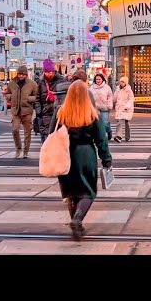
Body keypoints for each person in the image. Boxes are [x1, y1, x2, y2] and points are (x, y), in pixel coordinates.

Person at [50, 80, 112, 241]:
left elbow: (52, 133)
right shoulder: (92, 113)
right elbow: (101, 140)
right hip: (86, 155)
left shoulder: (60, 112)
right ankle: (78, 219)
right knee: (88, 192)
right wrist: (106, 160)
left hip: (65, 154)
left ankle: (75, 221)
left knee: (70, 193)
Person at [4, 66, 38, 159]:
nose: (21, 76)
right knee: (15, 130)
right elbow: (7, 93)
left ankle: (26, 151)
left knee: (28, 132)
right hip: (16, 111)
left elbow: (36, 96)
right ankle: (18, 149)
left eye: (23, 74)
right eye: (20, 74)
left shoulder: (32, 84)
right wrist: (11, 96)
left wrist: (28, 99)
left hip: (27, 111)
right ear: (17, 74)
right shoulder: (12, 83)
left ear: (26, 74)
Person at [35, 59, 65, 143]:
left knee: (57, 136)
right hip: (44, 113)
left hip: (58, 112)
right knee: (45, 137)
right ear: (44, 72)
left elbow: (65, 96)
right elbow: (37, 98)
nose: (50, 74)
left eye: (51, 71)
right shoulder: (41, 82)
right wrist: (38, 111)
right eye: (47, 72)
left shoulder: (61, 80)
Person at [90, 72, 114, 140]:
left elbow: (110, 97)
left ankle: (109, 131)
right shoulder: (92, 88)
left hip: (104, 108)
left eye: (99, 79)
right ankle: (100, 136)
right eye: (96, 79)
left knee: (105, 123)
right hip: (95, 108)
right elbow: (89, 97)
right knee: (95, 124)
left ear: (102, 80)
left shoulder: (107, 87)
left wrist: (109, 105)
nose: (98, 81)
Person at [113, 76, 134, 142]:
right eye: (121, 81)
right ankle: (118, 136)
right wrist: (112, 104)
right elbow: (115, 98)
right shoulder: (117, 89)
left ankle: (127, 136)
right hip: (119, 108)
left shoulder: (129, 90)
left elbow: (131, 99)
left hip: (126, 108)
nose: (121, 83)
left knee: (126, 122)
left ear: (126, 83)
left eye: (123, 82)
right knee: (119, 122)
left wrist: (127, 106)